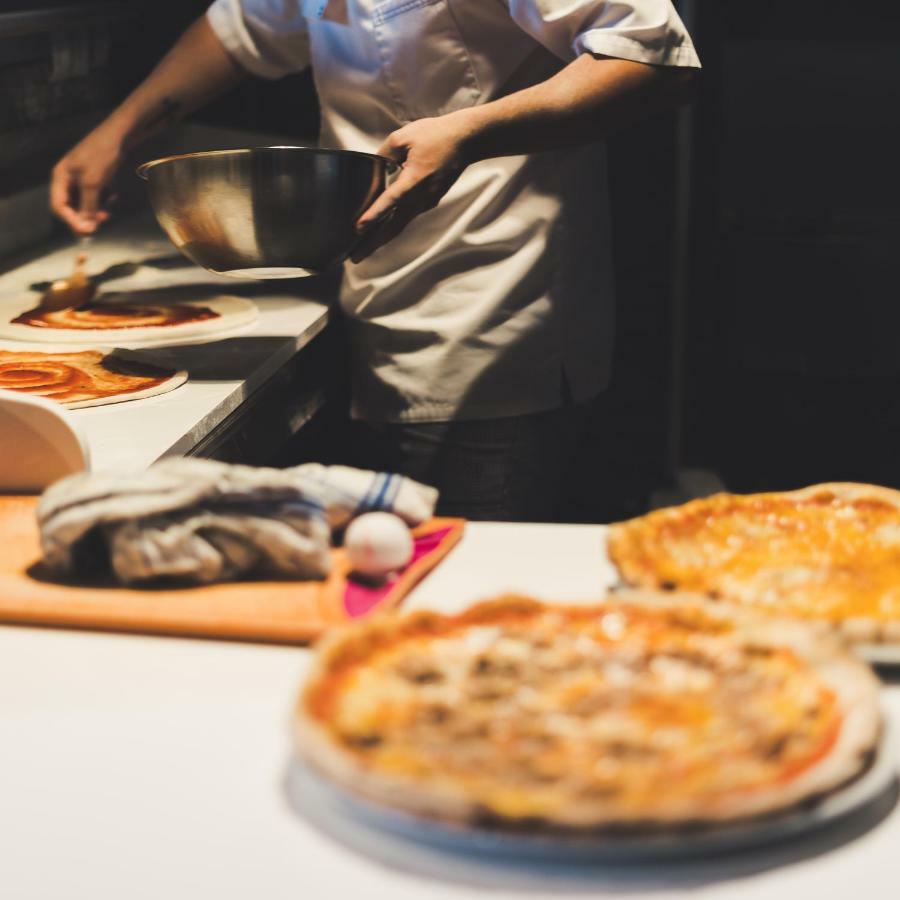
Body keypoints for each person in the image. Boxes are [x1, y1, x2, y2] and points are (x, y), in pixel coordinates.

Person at [51, 1, 700, 521]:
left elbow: (652, 62)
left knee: (463, 602)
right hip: (375, 309)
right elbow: (237, 28)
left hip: (495, 317)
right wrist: (117, 131)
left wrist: (471, 133)